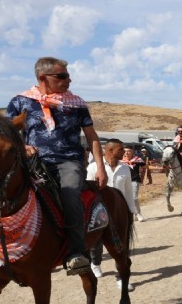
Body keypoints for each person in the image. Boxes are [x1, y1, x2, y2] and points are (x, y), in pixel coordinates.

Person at [6, 57, 107, 275]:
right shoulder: (20, 101)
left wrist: (101, 167)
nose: (68, 80)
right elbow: (9, 133)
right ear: (43, 78)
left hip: (68, 161)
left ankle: (77, 252)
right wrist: (22, 146)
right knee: (1, 190)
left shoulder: (77, 103)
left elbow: (91, 136)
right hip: (33, 162)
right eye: (62, 76)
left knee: (70, 194)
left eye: (68, 76)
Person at [87, 139, 137, 290]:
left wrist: (130, 212)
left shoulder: (125, 168)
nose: (125, 152)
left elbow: (129, 192)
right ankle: (95, 263)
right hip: (99, 212)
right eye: (121, 149)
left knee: (121, 246)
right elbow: (89, 194)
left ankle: (121, 277)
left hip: (119, 213)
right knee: (96, 243)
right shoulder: (93, 167)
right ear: (110, 151)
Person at [121, 146, 145, 222]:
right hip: (124, 181)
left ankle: (139, 214)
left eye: (129, 151)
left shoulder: (138, 160)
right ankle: (133, 213)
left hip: (134, 180)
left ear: (132, 152)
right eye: (125, 151)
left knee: (134, 198)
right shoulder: (120, 161)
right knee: (126, 198)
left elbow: (145, 166)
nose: (127, 153)